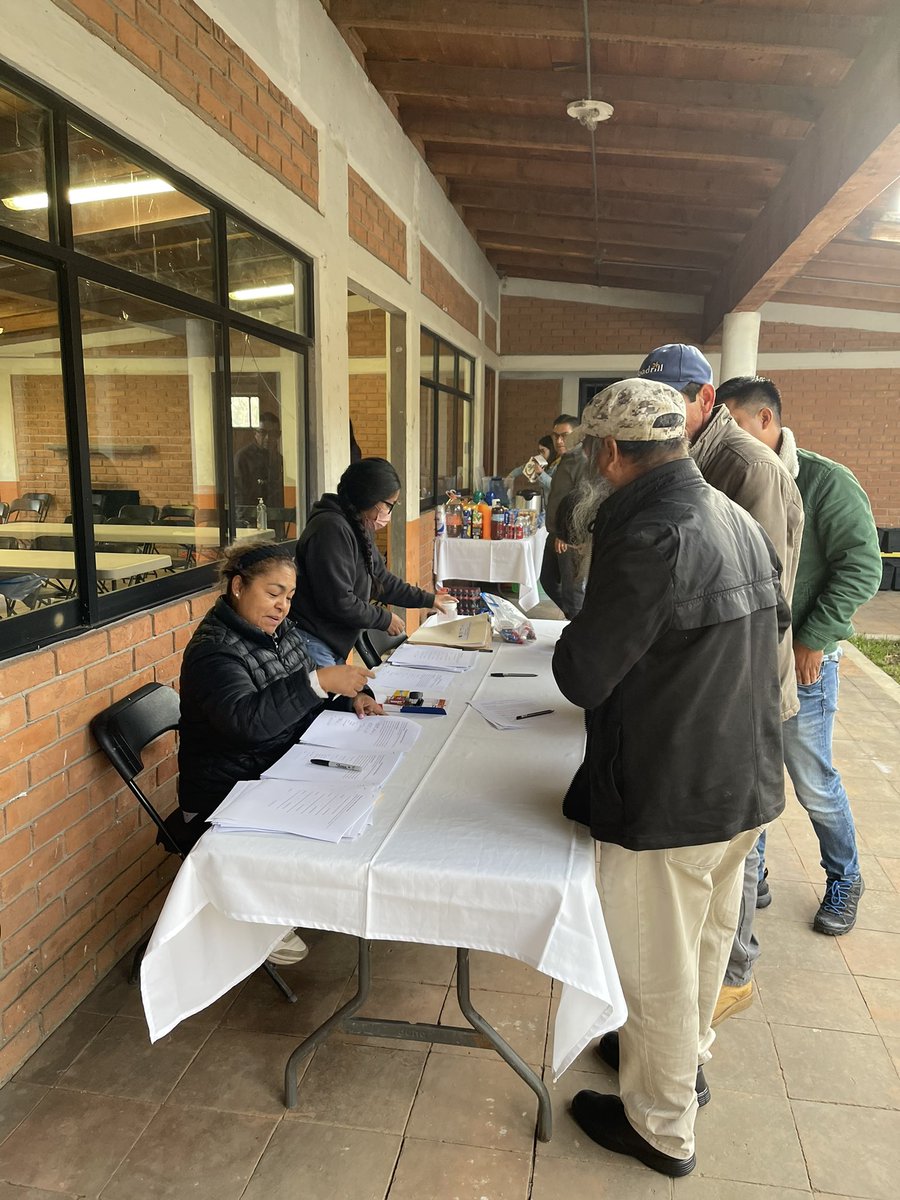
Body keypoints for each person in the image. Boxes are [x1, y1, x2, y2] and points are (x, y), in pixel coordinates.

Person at [553, 379, 789, 1178]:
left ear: (609, 452)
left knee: (656, 965)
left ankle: (660, 1129)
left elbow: (584, 672)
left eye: (593, 452)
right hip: (743, 776)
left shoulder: (652, 531)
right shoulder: (734, 515)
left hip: (673, 788)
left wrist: (574, 600)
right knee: (705, 944)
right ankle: (682, 1073)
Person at [638, 344, 804, 1025]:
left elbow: (753, 598)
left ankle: (732, 975)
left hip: (739, 687)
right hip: (707, 683)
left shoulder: (743, 466)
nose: (660, 410)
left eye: (672, 398)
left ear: (705, 400)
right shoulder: (687, 454)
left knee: (739, 838)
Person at [719, 375, 882, 934]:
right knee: (752, 773)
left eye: (735, 425)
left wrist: (815, 635)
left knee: (811, 778)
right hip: (746, 661)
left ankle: (846, 877)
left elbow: (863, 567)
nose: (726, 438)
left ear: (766, 420)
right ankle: (755, 873)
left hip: (805, 662)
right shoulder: (731, 477)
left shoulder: (825, 481)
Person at [177, 541, 378, 962]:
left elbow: (306, 687)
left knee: (371, 790)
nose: (282, 606)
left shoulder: (279, 631)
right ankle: (258, 908)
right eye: (272, 593)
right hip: (228, 791)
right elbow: (247, 724)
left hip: (280, 764)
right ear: (237, 586)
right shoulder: (215, 650)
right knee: (348, 811)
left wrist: (350, 698)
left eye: (288, 596)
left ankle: (308, 895)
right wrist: (319, 683)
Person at [291, 457, 456, 666]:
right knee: (332, 698)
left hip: (330, 641)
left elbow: (381, 579)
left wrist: (429, 600)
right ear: (369, 497)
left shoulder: (357, 525)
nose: (388, 513)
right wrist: (384, 619)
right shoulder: (330, 529)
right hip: (312, 640)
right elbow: (338, 601)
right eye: (389, 505)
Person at [539, 413, 586, 618]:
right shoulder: (564, 459)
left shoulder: (582, 459)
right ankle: (573, 617)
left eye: (564, 435)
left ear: (577, 434)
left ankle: (577, 628)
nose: (559, 441)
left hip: (568, 536)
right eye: (556, 436)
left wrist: (568, 534)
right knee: (547, 580)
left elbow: (582, 500)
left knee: (572, 590)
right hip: (554, 532)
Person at [235, 410, 284, 508]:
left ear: (278, 435)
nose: (267, 438)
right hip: (250, 516)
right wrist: (242, 521)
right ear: (255, 433)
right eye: (263, 432)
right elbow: (237, 494)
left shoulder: (278, 458)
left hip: (273, 515)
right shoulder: (243, 457)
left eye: (273, 433)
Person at [504, 434, 555, 500]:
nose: (541, 455)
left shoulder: (557, 466)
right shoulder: (542, 463)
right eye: (539, 451)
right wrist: (510, 477)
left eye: (543, 451)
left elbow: (555, 486)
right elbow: (523, 468)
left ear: (552, 450)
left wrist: (541, 474)